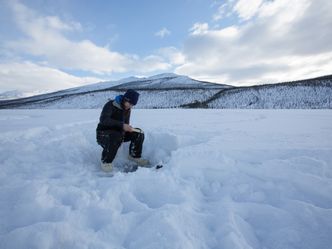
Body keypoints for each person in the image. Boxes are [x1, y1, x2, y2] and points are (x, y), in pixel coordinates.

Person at [96, 89, 149, 172]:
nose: (130, 106)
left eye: (133, 105)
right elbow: (104, 120)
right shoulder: (110, 105)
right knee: (116, 136)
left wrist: (128, 129)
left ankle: (134, 156)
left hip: (118, 133)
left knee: (139, 133)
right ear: (125, 99)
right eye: (130, 103)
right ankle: (106, 162)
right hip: (103, 134)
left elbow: (126, 123)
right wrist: (122, 125)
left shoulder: (127, 109)